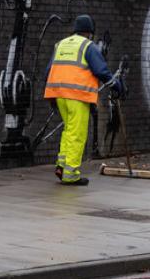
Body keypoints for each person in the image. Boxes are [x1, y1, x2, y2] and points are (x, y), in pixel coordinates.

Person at [44, 14, 122, 186]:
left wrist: (51, 94)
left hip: (57, 94)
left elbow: (48, 70)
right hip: (76, 95)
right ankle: (70, 174)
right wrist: (115, 85)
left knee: (68, 131)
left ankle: (62, 166)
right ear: (90, 32)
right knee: (77, 134)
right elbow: (101, 71)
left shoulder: (61, 44)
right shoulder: (88, 46)